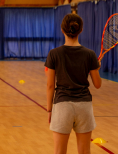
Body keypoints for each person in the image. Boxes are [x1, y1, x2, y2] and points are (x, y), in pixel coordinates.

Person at [45, 13, 102, 154]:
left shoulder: (54, 53)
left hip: (62, 105)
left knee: (59, 152)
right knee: (84, 151)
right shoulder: (90, 54)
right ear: (81, 30)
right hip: (84, 106)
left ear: (62, 29)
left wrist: (49, 109)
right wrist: (96, 68)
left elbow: (50, 85)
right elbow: (97, 84)